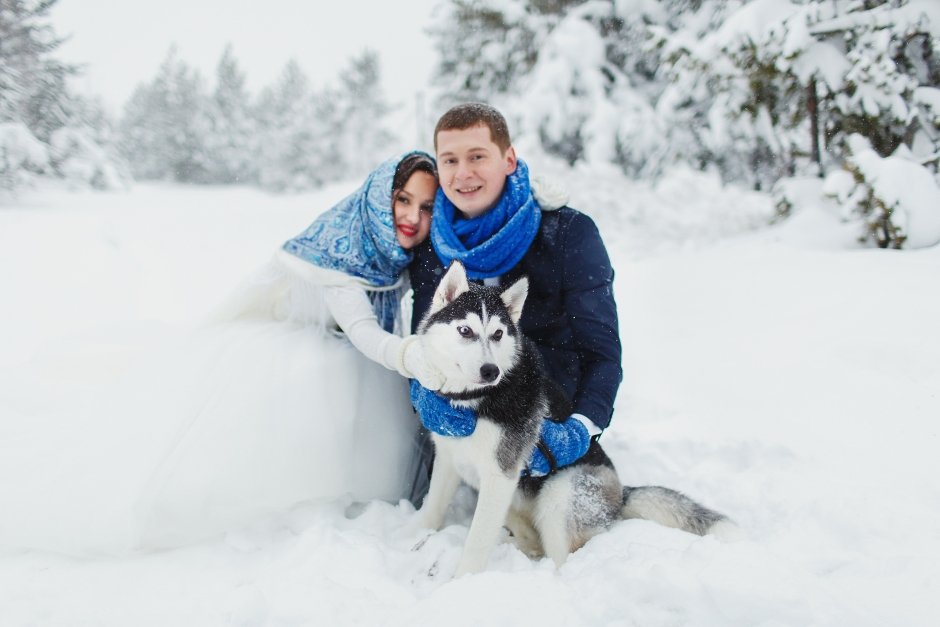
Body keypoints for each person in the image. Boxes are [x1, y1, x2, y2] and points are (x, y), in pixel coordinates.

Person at [0, 151, 444, 555]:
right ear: (376, 199)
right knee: (306, 399)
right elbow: (365, 332)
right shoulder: (341, 258)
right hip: (311, 348)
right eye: (402, 200)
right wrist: (412, 357)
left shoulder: (393, 252)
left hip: (350, 350)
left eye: (425, 207)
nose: (410, 216)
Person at [407, 103, 623, 505]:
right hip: (464, 437)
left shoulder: (568, 234)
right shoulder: (433, 249)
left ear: (508, 160)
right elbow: (423, 342)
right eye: (450, 160)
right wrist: (421, 392)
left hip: (546, 429)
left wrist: (581, 427)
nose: (463, 173)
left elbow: (602, 353)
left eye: (477, 157)